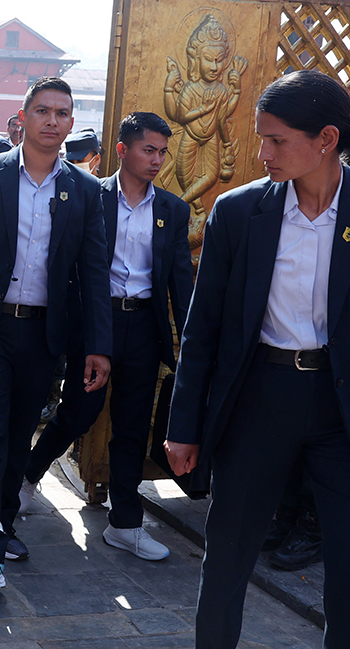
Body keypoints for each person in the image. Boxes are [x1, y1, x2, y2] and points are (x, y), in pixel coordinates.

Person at [165, 69, 350, 649]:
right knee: (227, 557)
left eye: (276, 140)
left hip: (339, 411)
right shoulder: (239, 213)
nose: (261, 152)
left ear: (325, 138)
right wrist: (184, 427)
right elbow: (204, 329)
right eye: (260, 138)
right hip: (258, 399)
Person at [0, 76, 112, 591]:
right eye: (43, 111)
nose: (53, 121)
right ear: (24, 117)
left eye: (62, 113)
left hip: (42, 337)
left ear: (71, 123)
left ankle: (3, 523)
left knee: (15, 438)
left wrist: (98, 345)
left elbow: (94, 272)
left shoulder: (83, 189)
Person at [19, 112, 192, 563]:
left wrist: (187, 340)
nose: (156, 160)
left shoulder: (171, 209)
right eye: (147, 150)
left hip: (143, 327)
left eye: (161, 152)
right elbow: (70, 266)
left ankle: (125, 523)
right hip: (96, 322)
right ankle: (27, 476)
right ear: (122, 150)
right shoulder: (92, 196)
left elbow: (179, 280)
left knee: (133, 423)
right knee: (79, 411)